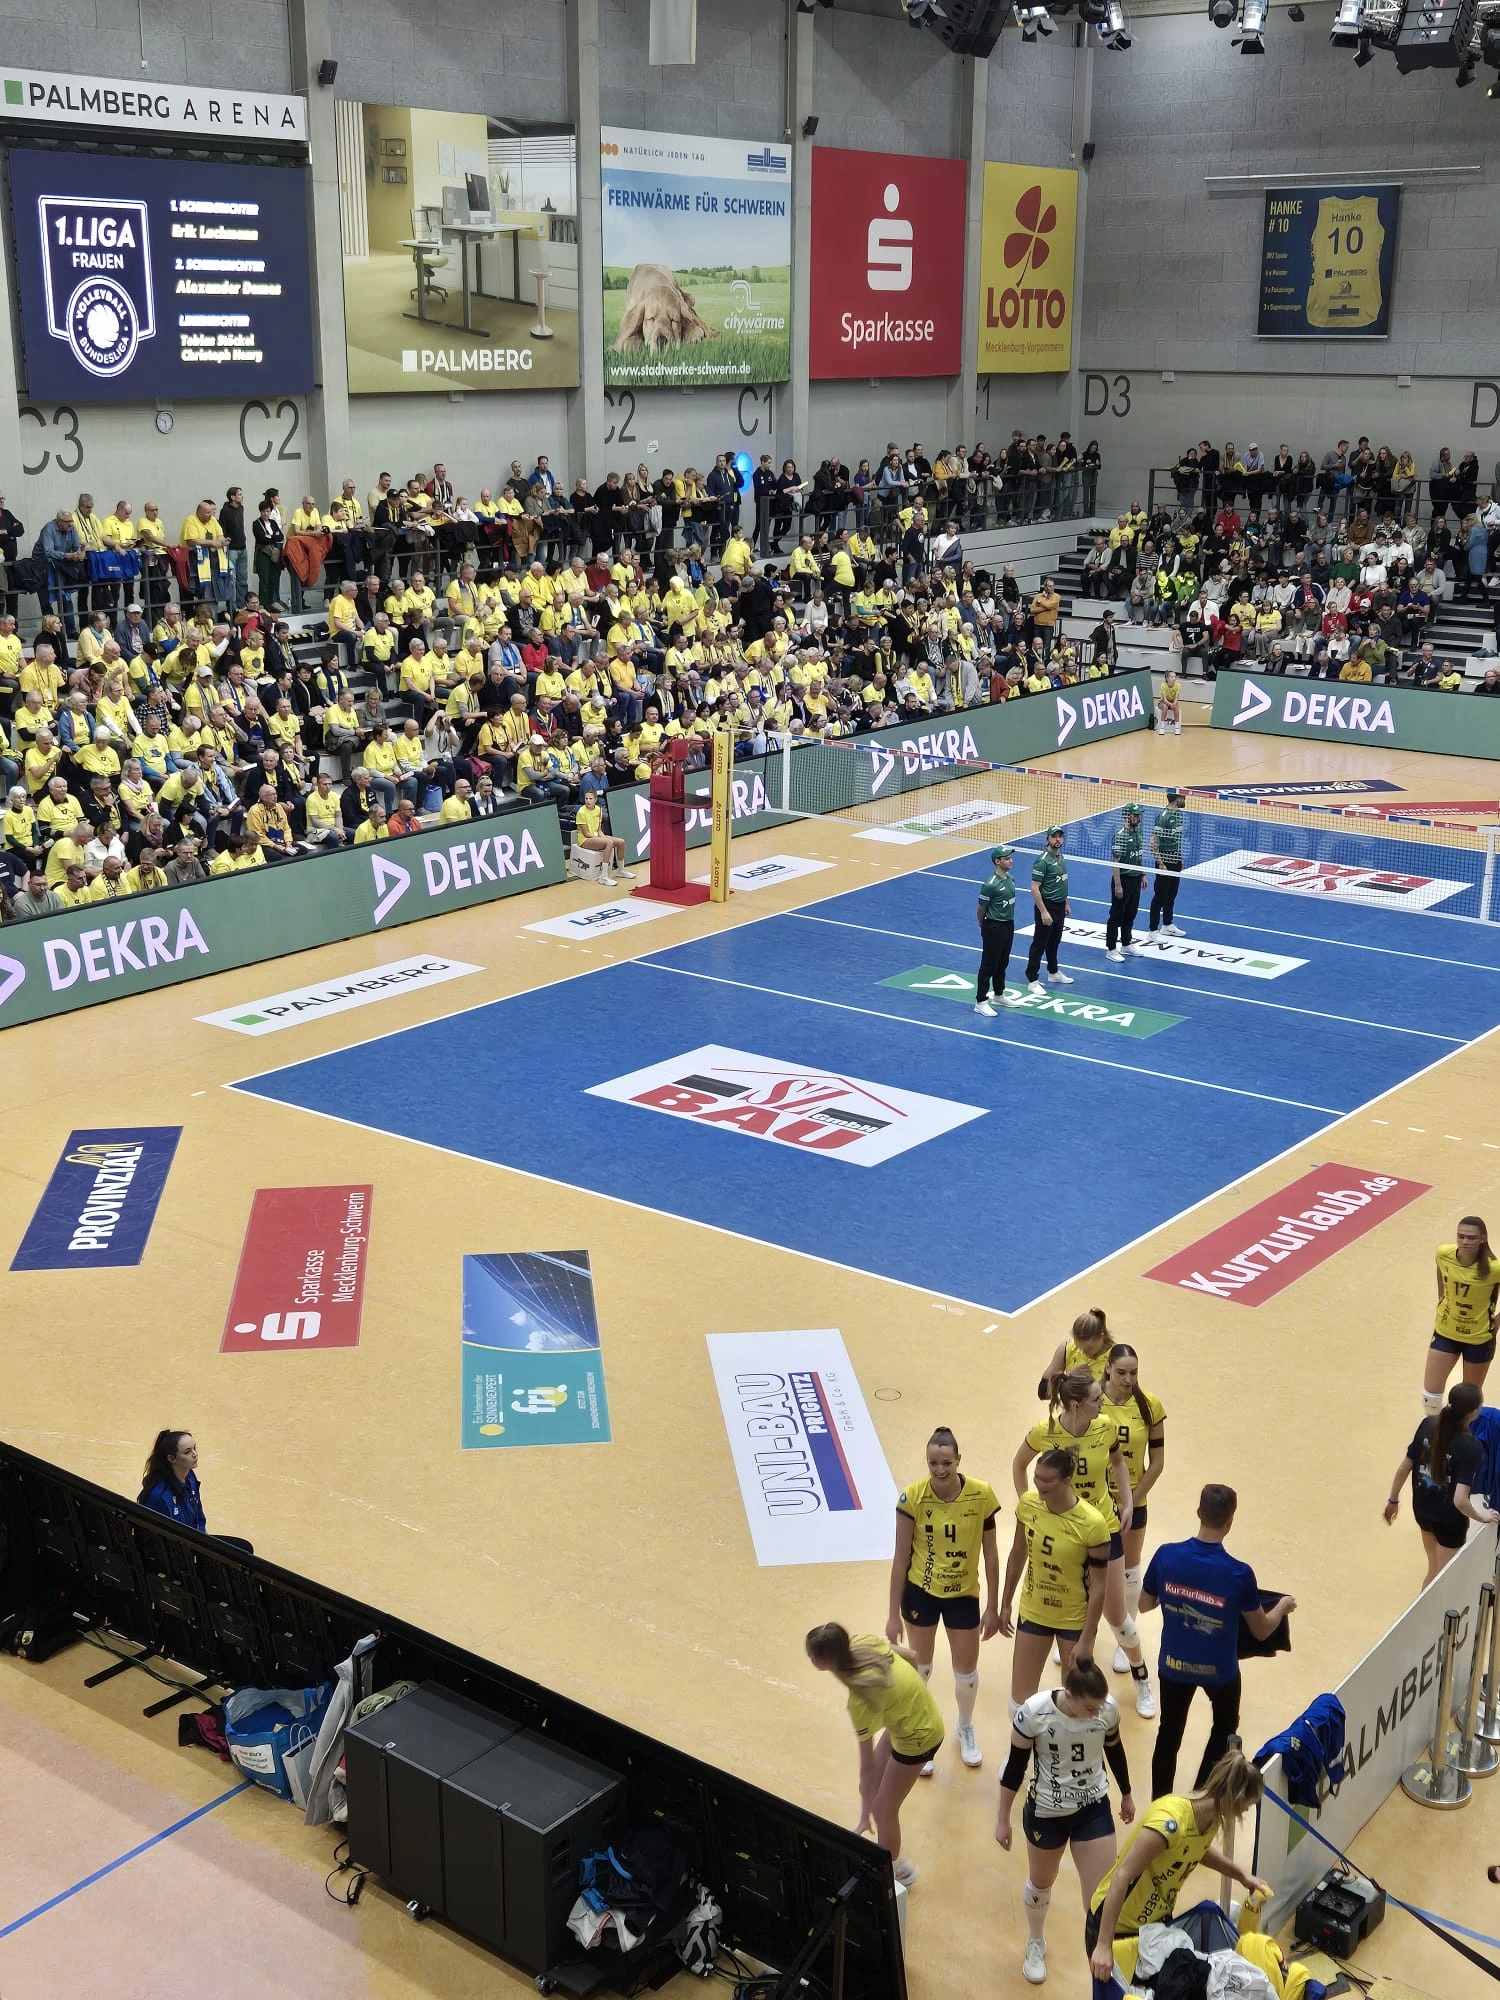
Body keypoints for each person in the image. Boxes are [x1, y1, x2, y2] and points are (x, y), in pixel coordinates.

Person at [1138, 1482, 1294, 1798]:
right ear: (1230, 1522)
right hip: (1219, 1672)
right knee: (1224, 1728)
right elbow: (1262, 1630)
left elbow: (1143, 1605)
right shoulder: (1239, 1574)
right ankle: (1203, 1796)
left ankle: (1160, 1806)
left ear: (1198, 1512)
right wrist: (1282, 1606)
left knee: (1168, 1734)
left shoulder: (1166, 1556)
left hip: (1173, 1666)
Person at [1017, 1370, 1154, 1717]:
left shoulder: (1104, 1426)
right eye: (1096, 1398)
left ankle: (1141, 1677)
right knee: (1068, 1605)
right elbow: (1019, 1465)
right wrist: (1031, 1508)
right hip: (1064, 1535)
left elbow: (1118, 1462)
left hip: (1103, 1529)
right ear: (1076, 1404)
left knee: (1116, 1615)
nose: (1103, 1402)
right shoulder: (1045, 1432)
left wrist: (1126, 1501)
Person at [996, 1659, 1134, 1988]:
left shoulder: (1106, 1710)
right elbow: (1015, 1766)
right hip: (1047, 1812)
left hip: (1092, 1808)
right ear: (1069, 1695)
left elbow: (1115, 1750)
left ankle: (1105, 1972)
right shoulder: (1034, 1713)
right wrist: (1003, 1817)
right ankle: (1035, 1942)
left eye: (1099, 1707)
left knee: (1100, 1899)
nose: (1095, 1713)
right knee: (1041, 1883)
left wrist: (1126, 1794)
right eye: (1089, 1707)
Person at [1087, 1750, 1268, 1983]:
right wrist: (1103, 1945)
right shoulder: (1169, 1823)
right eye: (1247, 1806)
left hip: (1154, 1922)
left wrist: (1241, 1874)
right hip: (1117, 1925)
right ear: (1236, 1796)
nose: (1245, 1812)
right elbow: (1122, 1877)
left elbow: (1196, 1849)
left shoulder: (1211, 1820)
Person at [885, 1426, 1001, 1773]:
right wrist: (892, 1615)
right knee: (920, 1668)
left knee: (965, 1674)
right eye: (933, 1463)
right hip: (921, 1592)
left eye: (946, 1462)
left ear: (958, 1460)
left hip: (963, 1595)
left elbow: (991, 1557)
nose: (940, 1470)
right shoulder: (912, 1498)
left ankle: (965, 1727)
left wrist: (993, 1607)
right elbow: (899, 1558)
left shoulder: (981, 1496)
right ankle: (919, 1735)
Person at [805, 1622, 942, 1886]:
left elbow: (866, 1766)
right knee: (868, 1790)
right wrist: (907, 1697)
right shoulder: (862, 1641)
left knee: (882, 1810)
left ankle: (892, 1871)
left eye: (812, 1656)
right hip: (905, 1719)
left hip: (919, 1736)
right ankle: (890, 1852)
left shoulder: (859, 1698)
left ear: (822, 1663)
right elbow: (911, 1658)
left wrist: (864, 1815)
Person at [998, 1447, 1110, 1714]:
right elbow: (1017, 1555)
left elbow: (1099, 1587)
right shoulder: (1028, 1504)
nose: (1039, 1484)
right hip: (1035, 1611)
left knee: (1074, 1703)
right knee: (1020, 1702)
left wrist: (1087, 1637)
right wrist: (1005, 1603)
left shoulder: (1092, 1524)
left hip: (1073, 1619)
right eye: (1036, 1477)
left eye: (1047, 1480)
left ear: (1066, 1480)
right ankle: (1019, 1756)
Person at [1386, 1382, 1498, 1586]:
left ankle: (1421, 1614)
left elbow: (1404, 1467)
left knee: (1434, 1572)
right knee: (1445, 1583)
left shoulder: (1428, 1424)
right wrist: (1482, 1515)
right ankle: (1432, 1616)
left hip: (1422, 1510)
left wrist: (1393, 1500)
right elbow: (1460, 1501)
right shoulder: (1470, 1447)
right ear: (1474, 1413)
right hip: (1448, 1522)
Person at [1101, 1344, 1166, 1680]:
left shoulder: (1149, 1405)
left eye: (1134, 1373)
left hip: (1133, 1502)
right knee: (1084, 1565)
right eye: (1122, 1372)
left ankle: (1124, 1641)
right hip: (1095, 1502)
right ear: (1109, 1369)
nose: (1128, 1379)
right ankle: (1069, 1629)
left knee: (1129, 1566)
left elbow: (1157, 1463)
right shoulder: (1093, 1400)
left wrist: (1131, 1500)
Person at [1423, 1215, 1500, 1407]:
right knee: (1430, 1399)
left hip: (1478, 1339)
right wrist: (1442, 1300)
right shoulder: (1443, 1254)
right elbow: (1441, 1273)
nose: (1465, 1241)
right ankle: (1441, 1435)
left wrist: (1497, 1321)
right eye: (1461, 1236)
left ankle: (1466, 1436)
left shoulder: (1494, 1268)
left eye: (1471, 1238)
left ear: (1482, 1239)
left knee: (1468, 1402)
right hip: (1445, 1332)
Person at [1025, 825, 1074, 996]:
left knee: (1054, 941)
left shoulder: (1060, 857)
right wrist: (1044, 912)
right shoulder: (1043, 861)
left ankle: (1053, 973)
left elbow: (1062, 882)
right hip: (1047, 906)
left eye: (1060, 836)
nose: (1058, 840)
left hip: (1059, 906)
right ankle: (1032, 979)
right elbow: (1034, 888)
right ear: (1048, 839)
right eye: (1054, 837)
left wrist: (1065, 903)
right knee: (1039, 943)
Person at [974, 845, 1018, 1016]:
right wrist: (982, 922)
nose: (1011, 860)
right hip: (994, 926)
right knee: (988, 965)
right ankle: (980, 1001)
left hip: (1008, 924)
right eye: (1007, 858)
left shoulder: (1010, 879)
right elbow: (981, 907)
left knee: (1003, 962)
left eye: (1010, 858)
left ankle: (999, 995)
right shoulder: (990, 885)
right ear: (997, 861)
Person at [1036, 1306, 1112, 1400]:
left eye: (1088, 1348)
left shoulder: (1116, 1358)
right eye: (1079, 1348)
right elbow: (1042, 1393)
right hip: (1073, 1412)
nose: (1083, 1353)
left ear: (1101, 1335)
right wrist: (1066, 1377)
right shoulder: (1067, 1348)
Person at [138, 1429, 207, 1529]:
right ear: (171, 1458)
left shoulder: (190, 1476)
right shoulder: (159, 1497)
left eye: (194, 1448)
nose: (195, 1454)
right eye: (187, 1452)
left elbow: (200, 1519)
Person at [1105, 801, 1145, 964]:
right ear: (1127, 816)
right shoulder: (1120, 835)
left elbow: (1139, 855)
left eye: (1138, 815)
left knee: (1131, 913)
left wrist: (1142, 874)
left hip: (1135, 879)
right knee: (1116, 915)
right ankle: (1111, 948)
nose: (1138, 817)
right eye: (1135, 815)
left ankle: (1126, 943)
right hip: (1123, 880)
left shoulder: (1138, 833)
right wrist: (1118, 885)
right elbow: (1116, 862)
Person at [1148, 786, 1187, 938]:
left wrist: (1179, 857)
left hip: (1175, 859)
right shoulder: (1163, 817)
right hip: (1164, 861)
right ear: (1176, 799)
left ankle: (1167, 925)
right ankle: (1152, 930)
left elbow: (1176, 840)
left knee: (1172, 894)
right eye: (1182, 797)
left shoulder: (1179, 814)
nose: (1184, 800)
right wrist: (1161, 863)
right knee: (1160, 897)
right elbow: (1152, 843)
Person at [1154, 670, 1182, 736]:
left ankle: (1177, 728)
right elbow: (1164, 699)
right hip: (1163, 703)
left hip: (1173, 703)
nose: (1174, 678)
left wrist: (1174, 704)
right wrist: (1170, 704)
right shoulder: (1163, 685)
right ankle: (1162, 727)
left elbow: (1176, 698)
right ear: (1167, 678)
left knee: (1176, 707)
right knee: (1165, 707)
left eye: (1175, 677)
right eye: (1172, 677)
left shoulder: (1178, 686)